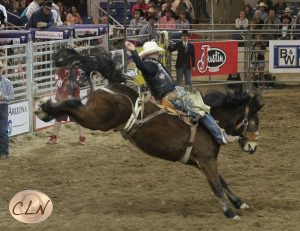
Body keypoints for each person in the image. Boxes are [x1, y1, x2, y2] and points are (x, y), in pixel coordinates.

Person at [124, 40, 239, 144]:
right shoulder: (149, 64)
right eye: (156, 52)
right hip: (171, 95)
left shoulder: (153, 64)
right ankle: (221, 136)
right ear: (151, 53)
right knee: (200, 109)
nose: (158, 54)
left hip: (173, 92)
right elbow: (141, 66)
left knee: (199, 104)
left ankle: (208, 125)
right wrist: (134, 51)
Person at [47, 65, 86, 145]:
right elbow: (57, 83)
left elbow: (77, 83)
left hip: (74, 98)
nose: (69, 64)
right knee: (58, 118)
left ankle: (82, 137)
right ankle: (54, 137)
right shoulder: (60, 70)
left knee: (77, 118)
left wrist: (68, 82)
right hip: (62, 98)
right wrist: (66, 81)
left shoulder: (76, 70)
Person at [0, 61, 14, 159]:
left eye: (0, 68)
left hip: (3, 107)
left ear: (2, 70)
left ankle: (4, 153)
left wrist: (3, 97)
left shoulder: (7, 82)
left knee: (3, 131)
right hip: (3, 108)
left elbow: (12, 96)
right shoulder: (7, 82)